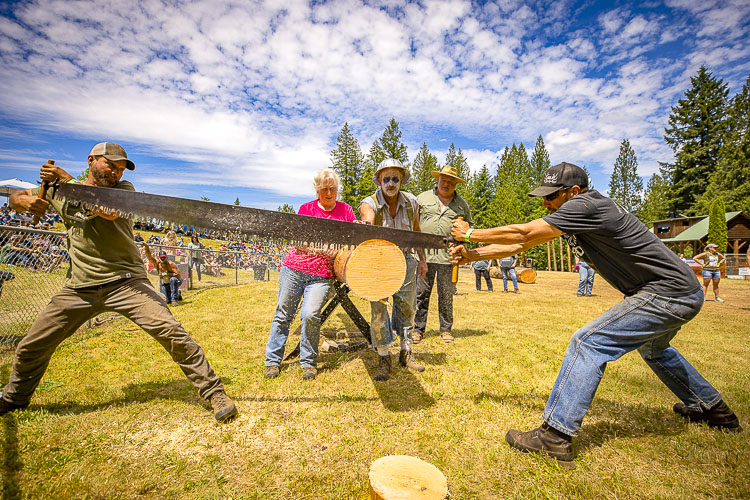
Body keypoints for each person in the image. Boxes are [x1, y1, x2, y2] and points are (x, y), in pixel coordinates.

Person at [450, 161, 742, 464]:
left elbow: (523, 233)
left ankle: (555, 436)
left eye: (551, 196)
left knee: (588, 342)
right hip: (682, 291)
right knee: (656, 351)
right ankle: (712, 408)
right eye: (543, 198)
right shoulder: (577, 213)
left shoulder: (586, 205)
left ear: (573, 192)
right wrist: (473, 255)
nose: (546, 203)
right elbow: (523, 243)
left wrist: (471, 233)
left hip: (667, 293)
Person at [1, 142, 237, 422]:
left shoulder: (124, 192)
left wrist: (67, 180)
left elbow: (106, 210)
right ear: (91, 160)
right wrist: (24, 201)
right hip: (80, 286)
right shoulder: (58, 189)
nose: (116, 172)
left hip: (126, 282)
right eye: (110, 164)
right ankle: (14, 398)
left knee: (170, 331)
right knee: (32, 345)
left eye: (121, 168)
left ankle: (213, 392)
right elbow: (16, 196)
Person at [264, 168, 357, 380]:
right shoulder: (306, 209)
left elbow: (353, 238)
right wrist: (325, 249)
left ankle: (308, 362)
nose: (329, 193)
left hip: (322, 275)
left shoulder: (346, 211)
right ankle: (272, 361)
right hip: (294, 269)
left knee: (310, 315)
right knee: (283, 314)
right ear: (317, 190)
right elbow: (297, 242)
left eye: (332, 188)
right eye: (324, 189)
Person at [359, 159, 427, 381]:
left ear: (401, 181)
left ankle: (406, 352)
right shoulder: (369, 202)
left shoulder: (411, 202)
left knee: (407, 307)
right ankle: (383, 356)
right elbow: (367, 218)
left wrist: (423, 260)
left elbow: (417, 231)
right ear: (379, 180)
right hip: (379, 261)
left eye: (395, 179)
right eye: (386, 179)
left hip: (406, 259)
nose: (390, 183)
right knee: (379, 309)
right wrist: (367, 226)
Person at [414, 165, 472, 344]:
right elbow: (412, 223)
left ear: (456, 184)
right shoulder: (422, 198)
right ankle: (417, 329)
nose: (446, 184)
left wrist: (462, 243)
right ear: (437, 179)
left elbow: (468, 229)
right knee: (421, 293)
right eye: (443, 180)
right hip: (423, 255)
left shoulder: (462, 205)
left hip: (449, 257)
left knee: (446, 294)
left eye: (450, 182)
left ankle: (446, 330)